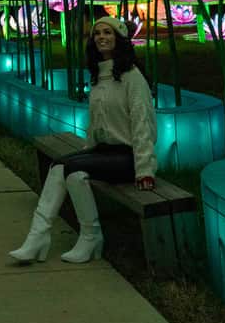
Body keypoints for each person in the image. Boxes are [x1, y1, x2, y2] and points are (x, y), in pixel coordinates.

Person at [9, 16, 157, 264]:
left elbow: (142, 125)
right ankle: (78, 237)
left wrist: (145, 170)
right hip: (105, 152)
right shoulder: (99, 76)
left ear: (119, 39)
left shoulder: (132, 77)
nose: (101, 37)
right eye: (97, 33)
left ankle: (48, 238)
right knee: (68, 171)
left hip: (128, 158)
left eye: (108, 32)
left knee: (67, 167)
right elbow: (96, 124)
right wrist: (86, 154)